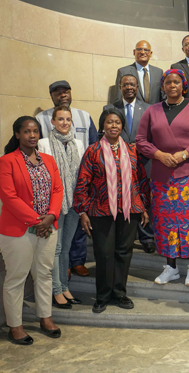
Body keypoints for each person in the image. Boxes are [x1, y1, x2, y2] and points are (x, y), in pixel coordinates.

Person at [136, 69, 189, 287]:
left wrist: (185, 154)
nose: (172, 86)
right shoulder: (152, 111)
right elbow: (141, 140)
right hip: (161, 175)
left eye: (176, 82)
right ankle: (171, 267)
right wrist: (158, 155)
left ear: (183, 85)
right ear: (162, 86)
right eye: (168, 82)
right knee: (165, 222)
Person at [73, 108, 150, 314]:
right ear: (102, 126)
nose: (113, 126)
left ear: (122, 126)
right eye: (109, 122)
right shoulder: (93, 151)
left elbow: (140, 180)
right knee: (104, 254)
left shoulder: (132, 151)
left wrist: (142, 206)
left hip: (129, 211)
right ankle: (103, 296)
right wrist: (82, 211)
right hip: (101, 212)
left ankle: (119, 293)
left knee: (124, 253)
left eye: (117, 122)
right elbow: (82, 183)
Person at [0, 116, 64, 345]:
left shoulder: (48, 160)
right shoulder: (7, 162)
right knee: (17, 278)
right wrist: (38, 221)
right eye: (27, 132)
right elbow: (9, 197)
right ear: (17, 134)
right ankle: (15, 326)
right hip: (18, 231)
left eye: (35, 131)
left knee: (44, 274)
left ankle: (45, 318)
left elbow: (57, 189)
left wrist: (52, 216)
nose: (32, 135)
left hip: (48, 228)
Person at [36, 80, 97, 278]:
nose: (62, 95)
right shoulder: (40, 118)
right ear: (51, 96)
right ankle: (63, 267)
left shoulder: (84, 116)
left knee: (78, 227)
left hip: (78, 183)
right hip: (54, 189)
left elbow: (94, 144)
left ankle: (77, 261)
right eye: (57, 92)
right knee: (58, 237)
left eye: (66, 91)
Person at [37, 106, 85, 310]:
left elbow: (81, 174)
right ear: (52, 122)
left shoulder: (79, 143)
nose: (65, 123)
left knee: (66, 248)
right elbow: (43, 177)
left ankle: (65, 287)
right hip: (54, 205)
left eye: (68, 119)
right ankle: (56, 290)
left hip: (73, 204)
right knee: (55, 249)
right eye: (60, 119)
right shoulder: (44, 143)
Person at [103, 74, 156, 254]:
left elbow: (155, 135)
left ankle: (147, 236)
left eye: (133, 84)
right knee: (122, 197)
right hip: (117, 164)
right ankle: (125, 235)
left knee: (143, 198)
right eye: (125, 84)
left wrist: (141, 146)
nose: (129, 87)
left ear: (138, 87)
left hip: (144, 161)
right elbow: (102, 134)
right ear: (120, 86)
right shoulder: (109, 108)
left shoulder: (149, 109)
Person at [115, 40, 164, 104]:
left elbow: (163, 97)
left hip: (154, 112)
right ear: (134, 52)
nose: (143, 52)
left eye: (146, 50)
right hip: (133, 113)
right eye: (139, 49)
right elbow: (118, 98)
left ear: (151, 53)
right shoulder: (123, 72)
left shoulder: (158, 72)